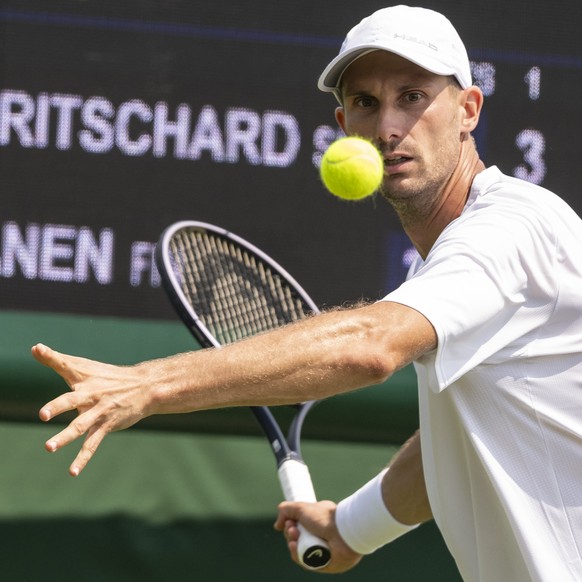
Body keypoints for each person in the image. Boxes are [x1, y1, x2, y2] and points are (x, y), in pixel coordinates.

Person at [31, 5, 582, 581]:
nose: (388, 127)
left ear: (468, 109)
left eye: (413, 96)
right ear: (344, 123)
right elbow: (456, 444)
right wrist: (352, 527)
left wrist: (148, 385)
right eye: (366, 102)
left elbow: (371, 345)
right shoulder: (448, 263)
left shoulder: (512, 230)